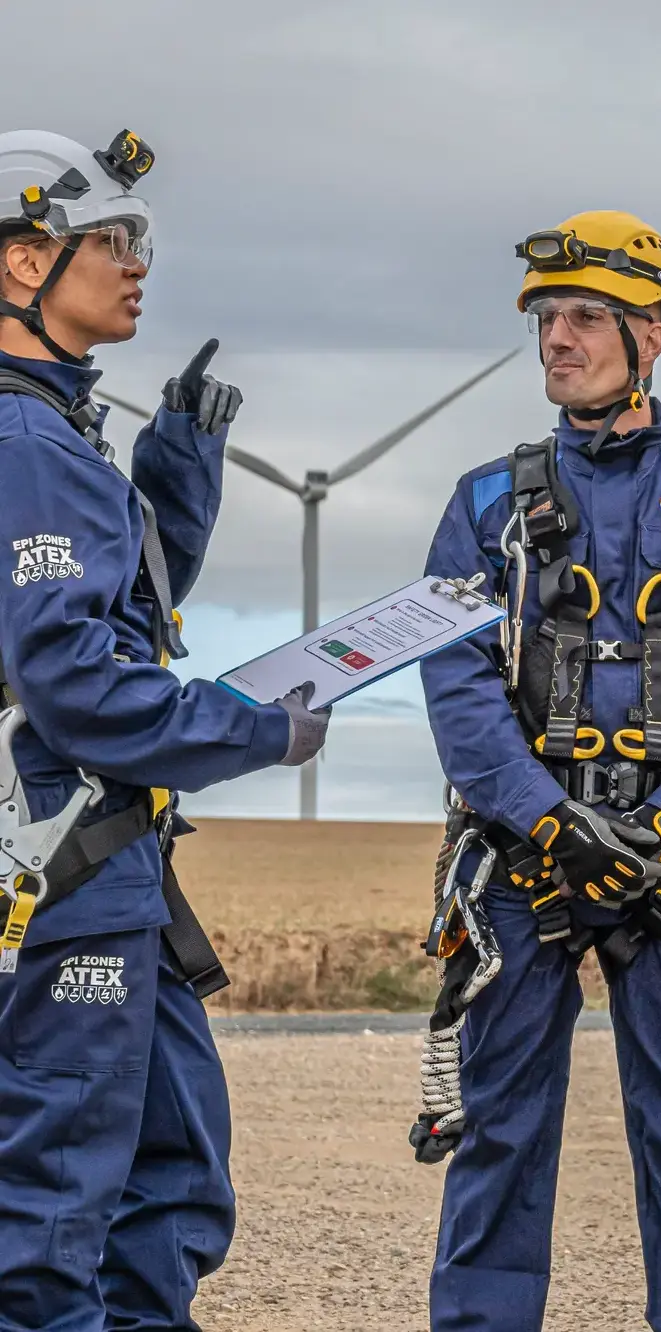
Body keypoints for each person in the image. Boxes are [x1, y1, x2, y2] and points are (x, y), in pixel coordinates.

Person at [417, 210, 661, 1330]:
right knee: (497, 1137)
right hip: (517, 867)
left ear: (656, 335)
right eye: (547, 318)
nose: (556, 339)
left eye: (585, 316)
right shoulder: (483, 505)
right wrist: (547, 824)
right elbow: (456, 685)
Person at [0, 129, 330, 1331]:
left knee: (169, 1187)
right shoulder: (22, 442)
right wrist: (257, 732)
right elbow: (80, 689)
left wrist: (176, 474)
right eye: (113, 242)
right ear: (21, 262)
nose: (139, 264)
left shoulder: (53, 434)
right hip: (58, 876)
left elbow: (115, 624)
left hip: (112, 878)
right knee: (46, 1227)